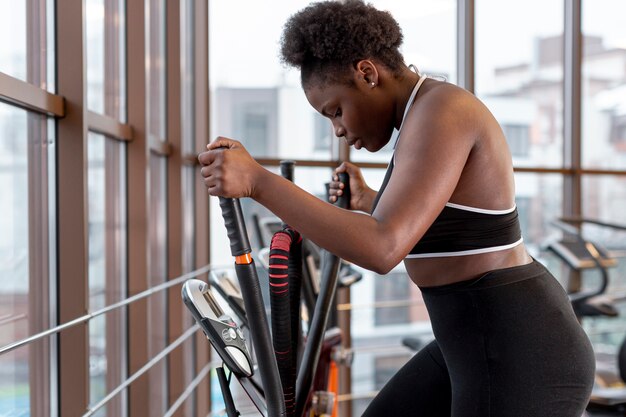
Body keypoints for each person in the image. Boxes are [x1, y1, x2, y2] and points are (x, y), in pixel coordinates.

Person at [198, 1, 595, 415]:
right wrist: (370, 201)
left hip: (517, 347)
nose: (338, 129)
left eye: (335, 110)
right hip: (471, 339)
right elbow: (440, 218)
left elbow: (383, 247)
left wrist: (259, 183)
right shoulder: (420, 116)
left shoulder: (443, 109)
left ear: (367, 73)